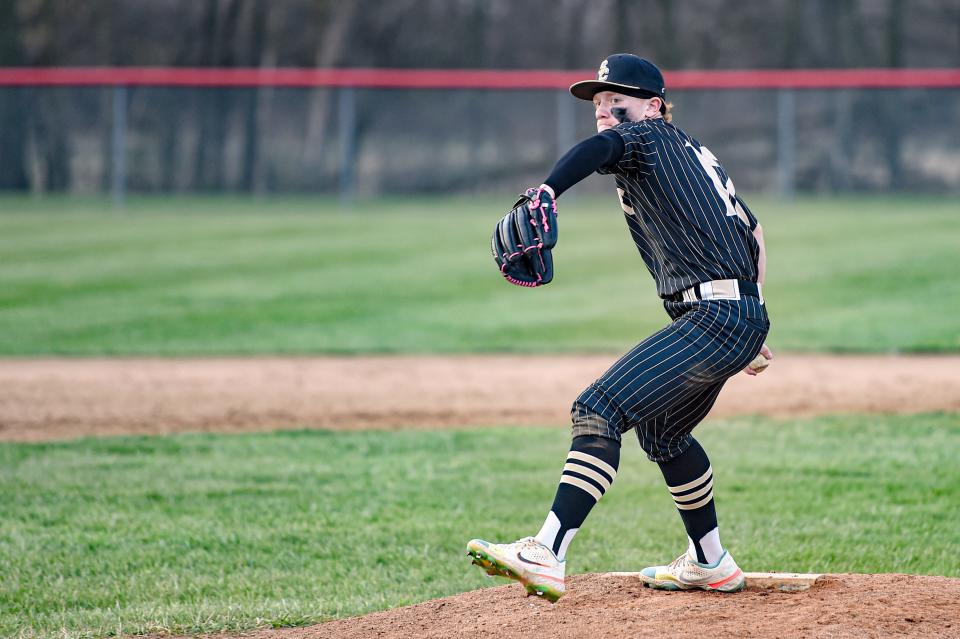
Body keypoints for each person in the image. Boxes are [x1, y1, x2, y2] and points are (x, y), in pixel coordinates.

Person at [467, 54, 772, 602]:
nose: (605, 115)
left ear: (654, 107)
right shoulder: (689, 151)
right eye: (599, 107)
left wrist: (548, 190)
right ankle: (712, 561)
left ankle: (546, 553)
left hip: (714, 316)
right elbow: (753, 232)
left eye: (617, 103)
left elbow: (599, 150)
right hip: (731, 315)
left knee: (597, 408)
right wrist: (752, 309)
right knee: (665, 433)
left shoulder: (650, 137)